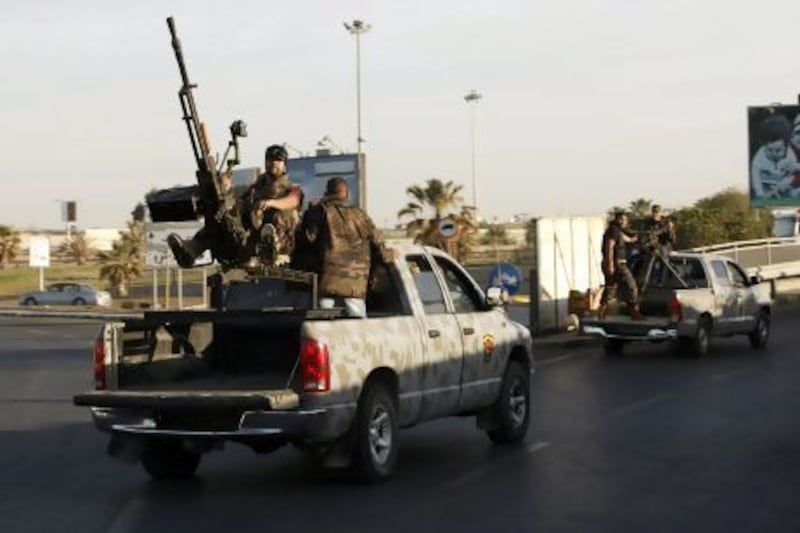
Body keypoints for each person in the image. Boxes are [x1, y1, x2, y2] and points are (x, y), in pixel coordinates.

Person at [292, 176, 394, 317]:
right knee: (357, 321)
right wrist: (390, 255)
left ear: (327, 192)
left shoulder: (321, 211)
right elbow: (377, 242)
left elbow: (308, 238)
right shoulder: (360, 214)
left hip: (328, 279)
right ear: (346, 193)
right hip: (356, 281)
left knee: (324, 321)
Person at [240, 144, 304, 265]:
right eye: (271, 159)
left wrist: (271, 203)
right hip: (257, 236)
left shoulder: (292, 188)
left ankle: (279, 250)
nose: (274, 163)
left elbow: (293, 200)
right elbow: (241, 202)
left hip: (283, 240)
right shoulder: (257, 187)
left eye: (278, 160)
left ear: (284, 164)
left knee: (287, 213)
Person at [599, 211, 642, 320]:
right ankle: (635, 313)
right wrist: (610, 264)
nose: (623, 222)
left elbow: (627, 239)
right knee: (632, 287)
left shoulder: (616, 230)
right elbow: (610, 247)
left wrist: (636, 238)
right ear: (617, 219)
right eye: (621, 219)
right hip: (617, 264)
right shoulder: (614, 230)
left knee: (610, 289)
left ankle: (601, 314)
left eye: (625, 220)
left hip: (616, 263)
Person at [750, 114, 797, 199]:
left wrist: (781, 186)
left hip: (782, 184)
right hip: (765, 184)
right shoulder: (759, 157)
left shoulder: (790, 155)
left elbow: (792, 174)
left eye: (778, 150)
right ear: (764, 144)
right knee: (762, 194)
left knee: (791, 192)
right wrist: (759, 192)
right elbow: (755, 175)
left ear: (786, 146)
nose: (773, 153)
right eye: (769, 150)